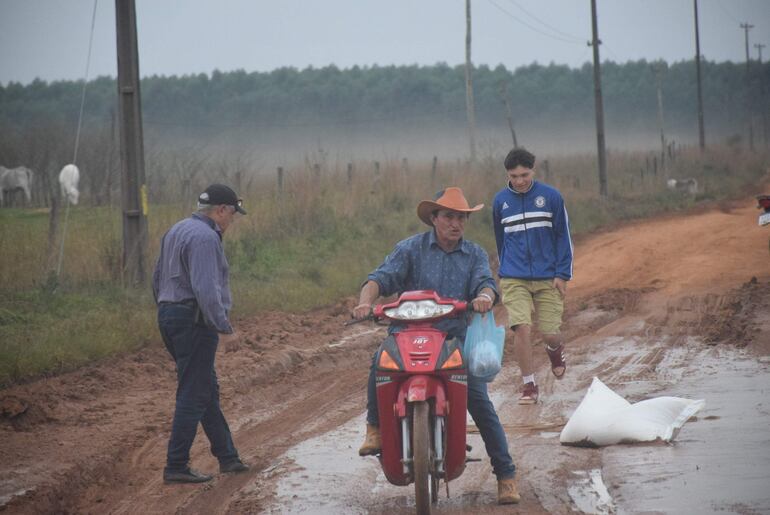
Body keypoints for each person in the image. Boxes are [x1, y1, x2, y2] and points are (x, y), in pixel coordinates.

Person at [352, 187, 520, 505]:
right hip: (403, 336)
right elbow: (379, 278)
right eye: (449, 216)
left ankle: (506, 475)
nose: (455, 223)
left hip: (452, 340)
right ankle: (374, 427)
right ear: (434, 218)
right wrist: (365, 302)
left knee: (480, 403)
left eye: (461, 218)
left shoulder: (474, 255)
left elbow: (486, 283)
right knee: (379, 359)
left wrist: (485, 297)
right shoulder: (409, 249)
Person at [152, 184, 250, 484]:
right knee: (194, 393)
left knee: (204, 387)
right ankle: (176, 465)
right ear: (221, 210)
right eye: (232, 215)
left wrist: (170, 312)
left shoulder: (177, 230)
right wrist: (224, 327)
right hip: (194, 320)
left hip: (169, 315)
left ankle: (228, 457)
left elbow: (156, 279)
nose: (231, 222)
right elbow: (206, 289)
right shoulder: (206, 237)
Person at [492, 148, 573, 405]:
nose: (520, 180)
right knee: (521, 329)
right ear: (508, 174)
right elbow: (500, 239)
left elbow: (563, 237)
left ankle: (554, 350)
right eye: (514, 176)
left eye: (524, 174)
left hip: (548, 276)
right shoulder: (500, 202)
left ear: (533, 170)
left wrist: (562, 274)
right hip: (513, 276)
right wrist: (504, 269)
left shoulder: (551, 197)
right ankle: (529, 385)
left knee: (549, 333)